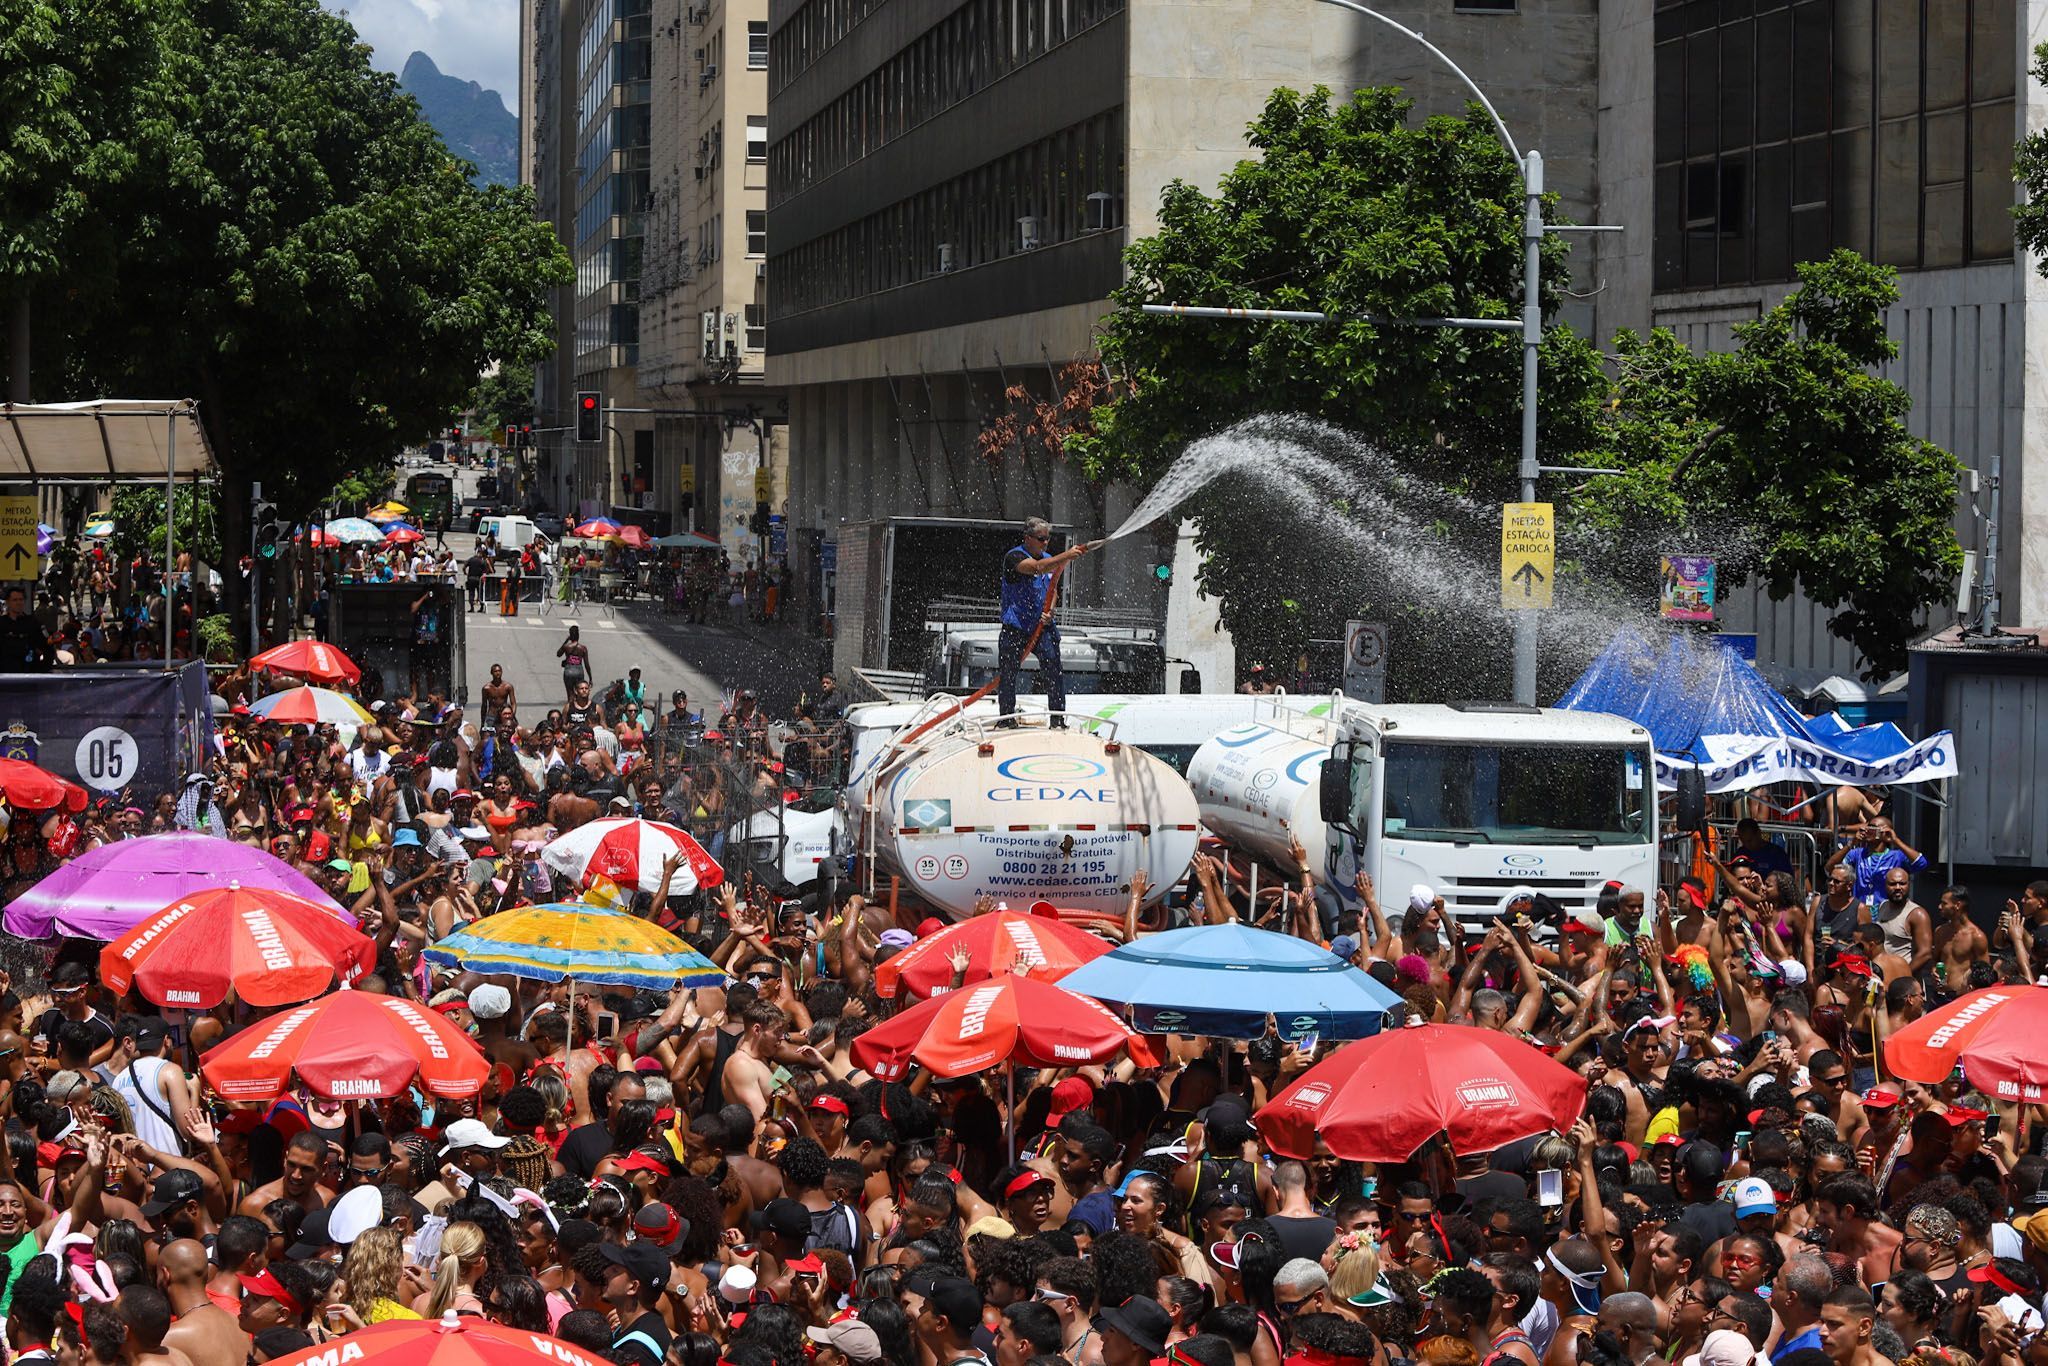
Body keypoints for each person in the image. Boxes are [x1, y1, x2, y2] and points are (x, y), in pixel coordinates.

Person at [996, 516, 1090, 725]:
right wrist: (1067, 555)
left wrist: (1051, 610)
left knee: (1054, 670)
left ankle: (1057, 719)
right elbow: (1038, 568)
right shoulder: (1015, 557)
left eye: (1047, 538)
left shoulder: (1048, 558)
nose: (1045, 543)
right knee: (1008, 674)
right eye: (1041, 538)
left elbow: (1052, 589)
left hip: (1042, 627)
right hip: (1016, 627)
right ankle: (1006, 719)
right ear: (1027, 538)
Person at [0, 588, 51, 672]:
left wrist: (43, 669)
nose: (18, 603)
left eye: (21, 600)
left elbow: (47, 646)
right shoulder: (2, 623)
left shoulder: (33, 623)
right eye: (15, 600)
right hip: (5, 675)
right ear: (8, 602)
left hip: (29, 673)